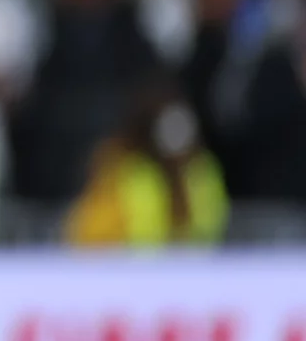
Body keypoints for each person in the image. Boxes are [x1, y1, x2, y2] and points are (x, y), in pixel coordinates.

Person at [65, 89, 227, 247]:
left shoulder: (201, 172)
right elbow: (91, 235)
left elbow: (211, 227)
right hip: (129, 269)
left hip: (193, 268)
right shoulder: (123, 170)